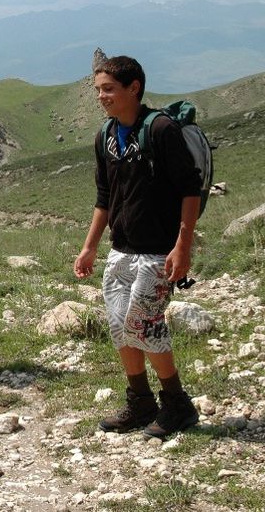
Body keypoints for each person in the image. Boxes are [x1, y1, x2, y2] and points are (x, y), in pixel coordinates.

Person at [73, 55, 201, 439]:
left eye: (109, 89)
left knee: (145, 327)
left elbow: (190, 189)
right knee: (118, 327)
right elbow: (104, 197)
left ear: (134, 88)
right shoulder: (106, 136)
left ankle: (177, 404)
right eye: (98, 89)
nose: (102, 96)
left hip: (159, 251)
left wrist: (183, 246)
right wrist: (89, 247)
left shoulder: (160, 129)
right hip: (121, 251)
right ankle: (141, 401)